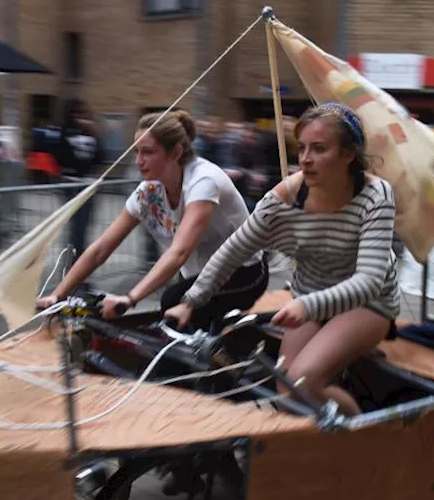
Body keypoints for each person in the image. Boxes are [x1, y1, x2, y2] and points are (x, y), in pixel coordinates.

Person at [165, 103, 401, 417]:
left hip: (367, 303)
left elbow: (370, 281)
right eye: (301, 148)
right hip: (310, 295)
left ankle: (360, 441)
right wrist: (191, 300)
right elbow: (236, 248)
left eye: (319, 149)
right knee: (284, 388)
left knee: (303, 381)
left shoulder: (375, 195)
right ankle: (306, 451)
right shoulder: (285, 197)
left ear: (348, 155)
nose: (305, 158)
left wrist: (307, 306)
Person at [37, 109, 268, 328]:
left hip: (245, 272)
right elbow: (101, 249)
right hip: (201, 276)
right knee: (174, 313)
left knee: (172, 301)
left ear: (176, 153)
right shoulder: (148, 192)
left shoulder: (203, 181)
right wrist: (59, 294)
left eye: (148, 152)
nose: (138, 160)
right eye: (136, 151)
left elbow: (178, 253)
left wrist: (129, 298)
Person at [56, 99, 102, 258]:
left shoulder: (90, 134)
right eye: (76, 114)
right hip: (72, 185)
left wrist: (95, 134)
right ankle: (72, 263)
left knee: (84, 227)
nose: (80, 118)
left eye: (82, 113)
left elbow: (99, 158)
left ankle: (79, 261)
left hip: (89, 185)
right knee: (76, 228)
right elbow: (61, 158)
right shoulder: (64, 133)